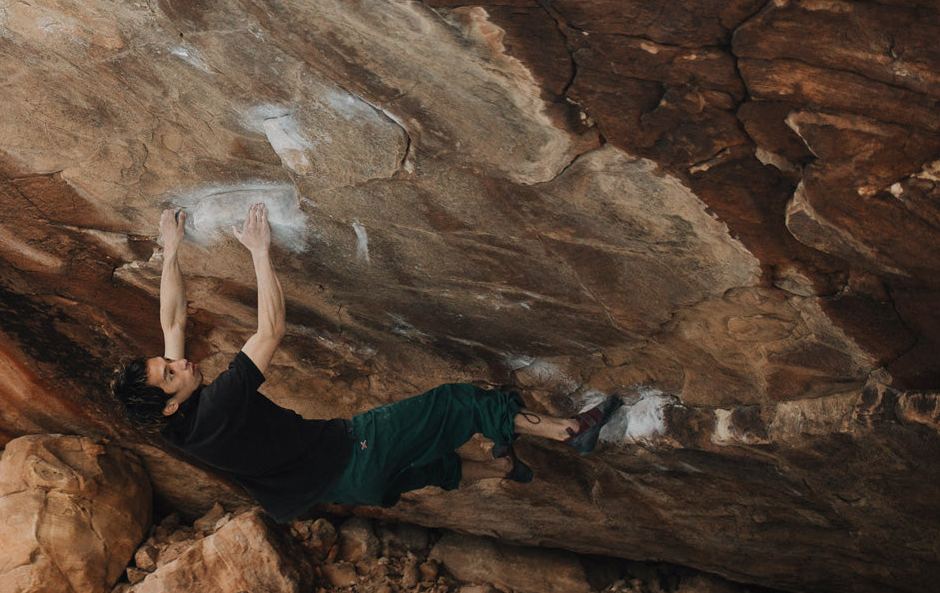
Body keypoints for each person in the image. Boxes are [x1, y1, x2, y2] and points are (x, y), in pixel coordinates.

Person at [111, 202, 621, 523]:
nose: (180, 365)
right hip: (356, 451)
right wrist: (261, 254)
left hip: (350, 486)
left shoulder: (170, 421)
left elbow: (173, 320)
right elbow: (270, 331)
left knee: (445, 467)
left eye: (167, 364)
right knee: (459, 403)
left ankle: (505, 468)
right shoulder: (218, 406)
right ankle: (568, 431)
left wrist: (172, 250)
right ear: (171, 404)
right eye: (172, 374)